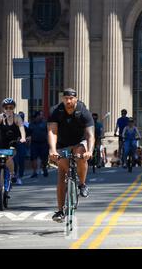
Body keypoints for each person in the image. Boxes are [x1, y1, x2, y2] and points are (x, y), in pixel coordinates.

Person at [48, 88, 94, 222]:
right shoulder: (56, 111)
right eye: (66, 98)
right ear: (63, 99)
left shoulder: (83, 112)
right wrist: (52, 150)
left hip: (79, 141)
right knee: (62, 175)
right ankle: (60, 211)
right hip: (62, 144)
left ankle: (82, 184)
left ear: (76, 99)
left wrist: (89, 151)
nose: (68, 101)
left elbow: (90, 135)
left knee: (81, 154)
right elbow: (52, 131)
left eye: (71, 98)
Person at [0, 98, 27, 184]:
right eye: (6, 108)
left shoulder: (17, 117)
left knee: (9, 158)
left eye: (11, 107)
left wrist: (23, 138)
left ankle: (12, 174)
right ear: (3, 108)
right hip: (0, 142)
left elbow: (21, 128)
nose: (9, 109)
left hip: (12, 142)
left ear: (13, 108)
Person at [29, 110, 49, 178]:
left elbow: (49, 133)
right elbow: (28, 133)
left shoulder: (45, 123)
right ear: (37, 116)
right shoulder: (31, 124)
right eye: (40, 115)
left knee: (44, 158)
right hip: (34, 144)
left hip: (44, 143)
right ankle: (34, 172)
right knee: (33, 158)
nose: (42, 116)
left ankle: (44, 168)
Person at [12, 111, 30, 185]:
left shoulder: (25, 127)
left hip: (22, 146)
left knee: (21, 161)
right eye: (20, 117)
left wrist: (26, 139)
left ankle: (20, 176)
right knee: (15, 161)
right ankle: (14, 176)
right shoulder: (13, 126)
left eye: (22, 117)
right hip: (14, 145)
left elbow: (29, 136)